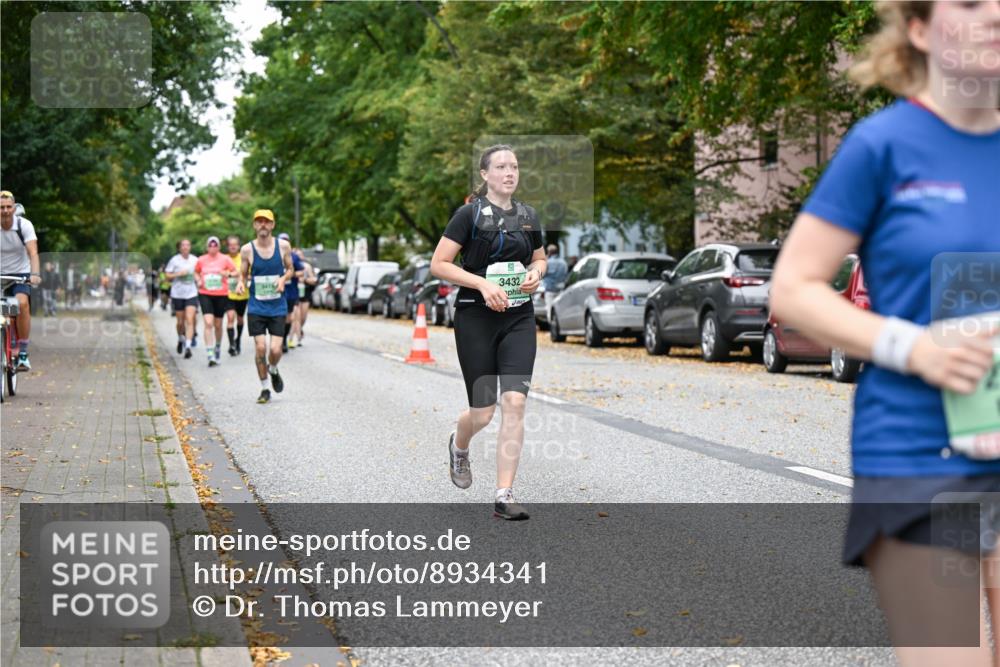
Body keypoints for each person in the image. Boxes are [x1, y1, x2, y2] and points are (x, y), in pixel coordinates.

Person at [770, 2, 1000, 664]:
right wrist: (914, 347)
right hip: (920, 457)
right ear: (920, 29)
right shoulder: (885, 145)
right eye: (969, 2)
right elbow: (794, 288)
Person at [429, 144, 546, 520]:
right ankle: (459, 446)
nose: (510, 173)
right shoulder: (469, 215)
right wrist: (481, 284)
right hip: (476, 318)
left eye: (514, 167)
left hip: (518, 317)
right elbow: (439, 264)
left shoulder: (528, 216)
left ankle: (504, 495)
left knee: (515, 403)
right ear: (485, 174)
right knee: (483, 413)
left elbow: (540, 257)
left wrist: (536, 273)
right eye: (501, 167)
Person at [236, 210, 294, 404]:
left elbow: (291, 269)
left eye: (266, 221)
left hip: (277, 306)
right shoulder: (247, 250)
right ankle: (264, 388)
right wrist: (241, 283)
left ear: (272, 225)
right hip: (257, 306)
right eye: (259, 221)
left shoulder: (283, 246)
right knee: (261, 348)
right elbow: (243, 274)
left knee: (275, 350)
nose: (263, 224)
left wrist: (283, 279)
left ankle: (273, 369)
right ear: (254, 225)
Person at [0, 190, 40, 371]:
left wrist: (35, 274)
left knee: (21, 303)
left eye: (8, 207)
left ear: (14, 208)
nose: (5, 211)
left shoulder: (24, 226)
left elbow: (33, 252)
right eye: (1, 207)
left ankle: (23, 352)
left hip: (19, 275)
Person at [195, 236, 237, 367]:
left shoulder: (225, 259)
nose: (212, 247)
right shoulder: (201, 259)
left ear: (219, 247)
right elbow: (196, 272)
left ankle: (217, 347)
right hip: (205, 294)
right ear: (207, 247)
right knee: (208, 322)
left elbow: (236, 272)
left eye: (215, 245)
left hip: (221, 294)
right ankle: (210, 354)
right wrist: (198, 280)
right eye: (210, 245)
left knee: (218, 325)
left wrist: (227, 274)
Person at [165, 239, 199, 359]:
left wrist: (198, 278)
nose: (185, 247)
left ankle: (188, 346)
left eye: (187, 245)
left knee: (190, 319)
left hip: (191, 293)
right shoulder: (174, 260)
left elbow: (199, 273)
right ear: (179, 248)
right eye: (183, 245)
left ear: (190, 247)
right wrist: (178, 274)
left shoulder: (195, 260)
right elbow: (167, 276)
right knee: (180, 322)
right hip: (177, 294)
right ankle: (180, 338)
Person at [276, 232, 303, 351]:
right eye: (282, 241)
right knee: (278, 317)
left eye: (286, 241)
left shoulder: (294, 257)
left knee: (288, 317)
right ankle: (278, 339)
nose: (284, 243)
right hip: (276, 291)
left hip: (290, 292)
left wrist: (290, 274)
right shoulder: (273, 255)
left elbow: (301, 272)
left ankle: (284, 339)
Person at [224, 235, 248, 356]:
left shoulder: (244, 258)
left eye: (235, 244)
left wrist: (237, 274)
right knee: (230, 317)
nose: (233, 247)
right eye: (231, 245)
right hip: (228, 294)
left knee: (240, 319)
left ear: (239, 246)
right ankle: (231, 345)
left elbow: (248, 273)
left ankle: (238, 340)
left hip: (242, 294)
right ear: (228, 246)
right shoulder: (224, 258)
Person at [297, 254, 317, 345]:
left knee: (303, 317)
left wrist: (304, 280)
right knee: (295, 317)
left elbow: (313, 280)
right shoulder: (290, 265)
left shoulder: (307, 266)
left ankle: (299, 329)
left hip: (305, 293)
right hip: (294, 294)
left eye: (300, 254)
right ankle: (296, 336)